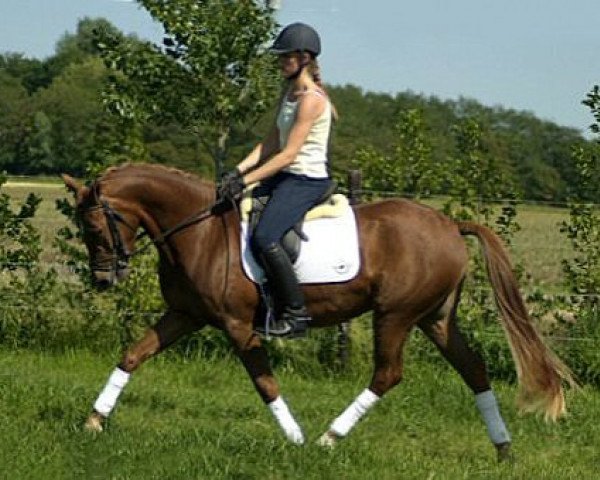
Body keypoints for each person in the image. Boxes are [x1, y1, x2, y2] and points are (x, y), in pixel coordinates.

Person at [218, 22, 335, 338]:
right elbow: (269, 144)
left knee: (266, 237)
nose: (280, 62)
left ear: (304, 58)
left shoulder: (312, 99)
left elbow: (288, 154)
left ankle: (296, 314)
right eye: (280, 57)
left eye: (285, 57)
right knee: (227, 210)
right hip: (286, 176)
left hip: (307, 180)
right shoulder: (290, 94)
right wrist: (236, 173)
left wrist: (246, 182)